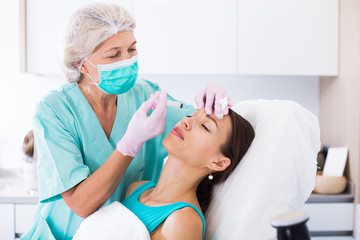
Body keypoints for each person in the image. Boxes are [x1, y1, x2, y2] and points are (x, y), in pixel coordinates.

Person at [21, 3, 233, 240]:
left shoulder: (144, 95)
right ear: (80, 63)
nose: (127, 61)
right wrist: (129, 144)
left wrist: (210, 103)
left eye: (132, 50)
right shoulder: (55, 110)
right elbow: (81, 204)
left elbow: (203, 129)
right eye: (114, 54)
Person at [121, 107, 255, 239]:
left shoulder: (182, 221)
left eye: (204, 126)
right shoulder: (136, 188)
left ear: (218, 163)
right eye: (191, 115)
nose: (185, 120)